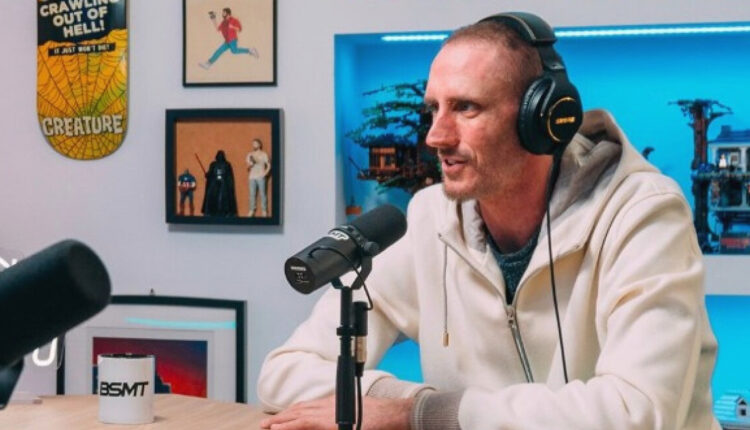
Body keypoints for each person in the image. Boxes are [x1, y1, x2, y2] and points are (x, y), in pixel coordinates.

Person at [258, 13, 719, 430]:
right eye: (433, 109)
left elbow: (636, 413)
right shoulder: (429, 217)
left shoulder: (644, 215)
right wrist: (404, 404)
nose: (436, 136)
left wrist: (419, 416)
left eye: (466, 107)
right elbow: (284, 371)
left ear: (542, 118)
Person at [201, 150, 238, 217]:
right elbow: (211, 173)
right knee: (212, 196)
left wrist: (229, 185)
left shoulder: (227, 164)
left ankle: (225, 211)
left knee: (223, 197)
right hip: (214, 184)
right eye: (219, 155)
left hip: (224, 184)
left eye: (221, 155)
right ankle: (212, 211)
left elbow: (229, 176)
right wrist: (208, 175)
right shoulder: (213, 164)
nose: (220, 157)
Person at [246, 138, 271, 217]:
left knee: (263, 194)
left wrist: (265, 173)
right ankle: (251, 210)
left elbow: (269, 165)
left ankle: (264, 210)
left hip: (260, 176)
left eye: (255, 143)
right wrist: (251, 164)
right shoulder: (250, 154)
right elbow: (248, 167)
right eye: (253, 144)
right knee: (252, 194)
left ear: (259, 145)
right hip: (252, 176)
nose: (254, 145)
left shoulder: (264, 154)